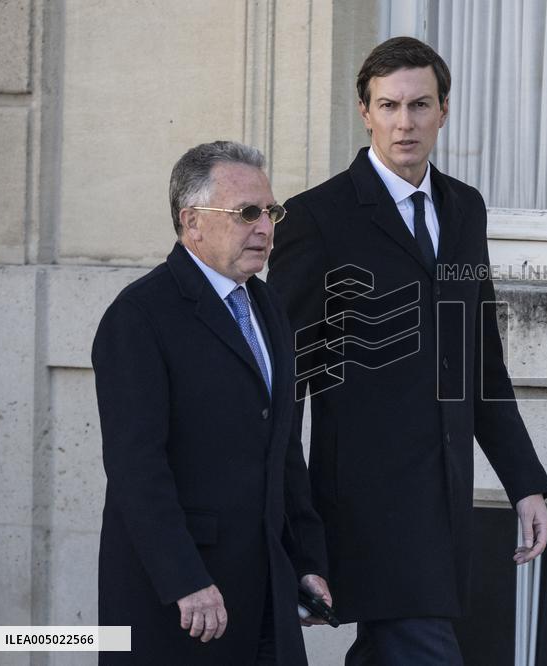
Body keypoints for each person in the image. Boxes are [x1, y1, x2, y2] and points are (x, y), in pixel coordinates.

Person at [268, 37, 547, 664]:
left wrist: (524, 485)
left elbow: (478, 358)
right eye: (389, 106)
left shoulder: (464, 209)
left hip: (445, 499)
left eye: (420, 105)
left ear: (443, 111)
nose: (405, 122)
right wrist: (293, 526)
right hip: (363, 506)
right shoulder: (316, 219)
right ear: (364, 111)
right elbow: (282, 380)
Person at [92, 141, 331, 665]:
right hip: (185, 606)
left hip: (266, 593)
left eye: (271, 211)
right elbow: (137, 468)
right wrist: (185, 580)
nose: (266, 227)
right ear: (191, 221)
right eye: (247, 212)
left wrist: (307, 560)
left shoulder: (267, 305)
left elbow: (284, 449)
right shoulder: (139, 316)